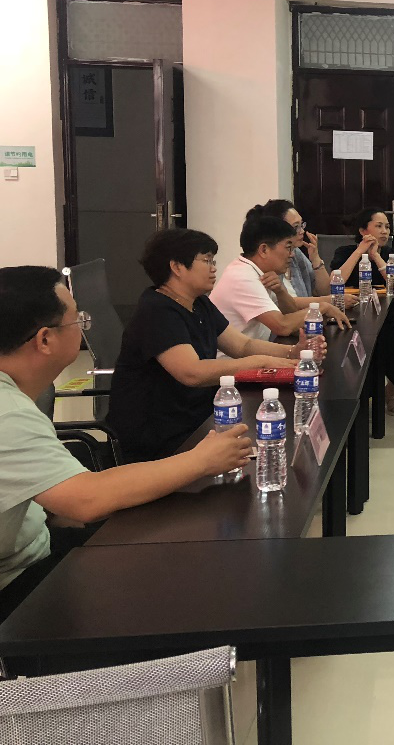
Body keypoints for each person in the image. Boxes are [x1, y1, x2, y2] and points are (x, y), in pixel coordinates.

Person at [0, 266, 251, 622]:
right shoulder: (8, 413)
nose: (83, 326)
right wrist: (202, 461)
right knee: (178, 579)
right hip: (16, 582)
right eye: (77, 320)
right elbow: (86, 500)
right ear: (44, 340)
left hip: (35, 541)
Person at [107, 228, 306, 462]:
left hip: (198, 418)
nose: (213, 268)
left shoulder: (199, 303)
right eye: (206, 260)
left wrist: (293, 352)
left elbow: (242, 346)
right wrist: (260, 363)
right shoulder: (157, 311)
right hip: (159, 437)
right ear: (177, 267)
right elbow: (192, 373)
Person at [211, 215, 347, 345]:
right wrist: (322, 307)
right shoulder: (243, 277)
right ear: (264, 250)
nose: (292, 255)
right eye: (288, 248)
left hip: (256, 353)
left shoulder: (259, 272)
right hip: (237, 359)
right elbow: (282, 326)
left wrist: (281, 291)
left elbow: (291, 315)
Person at [332, 207, 394, 415]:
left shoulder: (391, 253)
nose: (384, 231)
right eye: (378, 226)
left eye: (387, 227)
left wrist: (376, 257)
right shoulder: (344, 252)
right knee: (355, 362)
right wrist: (359, 252)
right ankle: (360, 399)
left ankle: (390, 392)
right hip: (351, 320)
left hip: (385, 320)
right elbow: (336, 281)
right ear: (363, 230)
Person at [252, 199, 330, 299]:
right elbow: (287, 303)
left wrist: (316, 258)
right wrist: (327, 301)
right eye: (296, 227)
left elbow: (324, 291)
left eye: (302, 225)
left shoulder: (296, 253)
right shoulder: (270, 256)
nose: (302, 231)